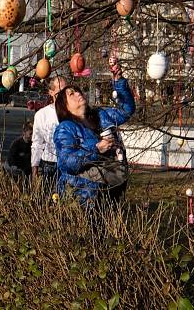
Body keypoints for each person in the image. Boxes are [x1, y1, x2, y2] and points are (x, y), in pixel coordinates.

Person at [53, 62, 135, 205]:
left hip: (113, 191)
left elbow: (127, 110)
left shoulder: (101, 115)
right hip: (85, 198)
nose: (78, 93)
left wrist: (119, 82)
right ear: (64, 106)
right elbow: (66, 163)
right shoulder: (66, 128)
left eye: (78, 90)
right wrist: (96, 149)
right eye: (72, 94)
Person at [30, 76, 67, 191]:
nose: (63, 95)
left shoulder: (73, 113)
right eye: (60, 92)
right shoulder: (42, 115)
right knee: (49, 199)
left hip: (69, 163)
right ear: (51, 92)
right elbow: (37, 142)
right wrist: (34, 167)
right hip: (49, 164)